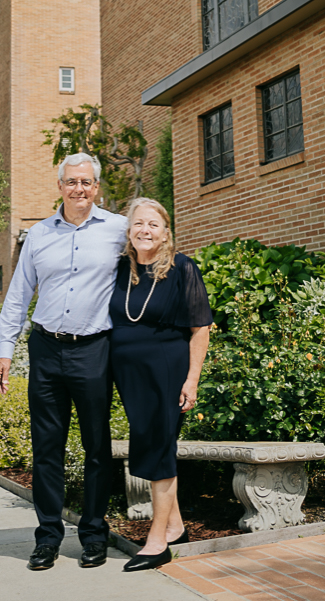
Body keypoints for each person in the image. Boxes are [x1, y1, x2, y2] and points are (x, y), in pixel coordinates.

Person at [0, 152, 128, 572]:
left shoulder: (118, 229)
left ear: (97, 186)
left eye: (86, 182)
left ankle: (92, 535)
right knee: (46, 449)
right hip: (47, 349)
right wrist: (5, 349)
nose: (79, 189)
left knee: (96, 447)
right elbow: (18, 294)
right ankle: (48, 538)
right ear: (60, 186)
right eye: (72, 182)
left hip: (95, 349)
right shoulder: (37, 236)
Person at [109, 197, 212, 572]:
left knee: (159, 448)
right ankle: (176, 526)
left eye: (153, 224)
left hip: (166, 372)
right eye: (139, 224)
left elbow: (201, 327)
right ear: (129, 231)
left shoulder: (182, 268)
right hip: (130, 377)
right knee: (153, 442)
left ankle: (157, 543)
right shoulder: (122, 269)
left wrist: (192, 379)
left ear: (166, 231)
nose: (145, 230)